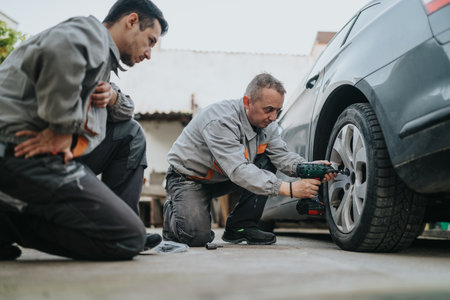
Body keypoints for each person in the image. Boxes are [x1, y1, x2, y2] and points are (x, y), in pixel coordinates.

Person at [0, 0, 168, 260]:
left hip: (50, 153)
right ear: (131, 21)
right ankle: (7, 223)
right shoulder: (91, 34)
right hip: (20, 149)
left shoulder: (101, 60)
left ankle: (119, 217)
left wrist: (112, 97)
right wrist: (62, 128)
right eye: (151, 41)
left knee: (130, 133)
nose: (149, 53)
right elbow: (58, 50)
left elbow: (125, 113)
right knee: (126, 239)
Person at [163, 73, 336, 247]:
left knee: (266, 159)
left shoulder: (269, 125)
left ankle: (241, 226)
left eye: (278, 111)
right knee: (197, 237)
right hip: (188, 179)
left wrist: (306, 168)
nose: (274, 117)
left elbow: (281, 156)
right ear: (247, 102)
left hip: (223, 177)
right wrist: (290, 189)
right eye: (268, 110)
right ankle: (174, 211)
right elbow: (239, 170)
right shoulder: (220, 121)